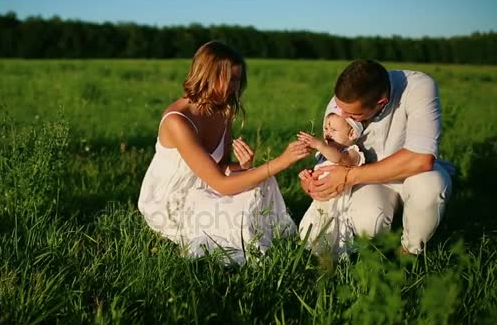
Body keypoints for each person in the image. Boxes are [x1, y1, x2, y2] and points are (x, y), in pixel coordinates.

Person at [138, 41, 310, 264]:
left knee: (261, 181)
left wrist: (244, 167)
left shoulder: (224, 110)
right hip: (173, 203)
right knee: (258, 184)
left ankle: (274, 240)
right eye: (228, 80)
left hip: (207, 186)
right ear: (206, 75)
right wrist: (280, 162)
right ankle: (255, 248)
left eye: (238, 80)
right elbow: (221, 183)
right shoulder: (177, 122)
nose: (234, 88)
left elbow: (221, 168)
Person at [300, 59, 453, 255]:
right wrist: (314, 182)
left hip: (414, 173)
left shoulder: (419, 87)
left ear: (381, 103)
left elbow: (421, 159)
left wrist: (349, 177)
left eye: (353, 114)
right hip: (370, 180)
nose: (342, 115)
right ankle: (392, 229)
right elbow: (332, 158)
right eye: (340, 109)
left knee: (430, 188)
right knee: (368, 224)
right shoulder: (342, 105)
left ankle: (408, 252)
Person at [297, 113, 365, 260]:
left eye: (333, 130)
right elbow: (319, 170)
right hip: (320, 204)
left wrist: (319, 145)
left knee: (334, 237)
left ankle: (334, 266)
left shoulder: (352, 152)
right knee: (315, 233)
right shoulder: (323, 155)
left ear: (352, 133)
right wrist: (308, 176)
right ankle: (316, 261)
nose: (327, 133)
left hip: (338, 208)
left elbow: (340, 159)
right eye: (326, 129)